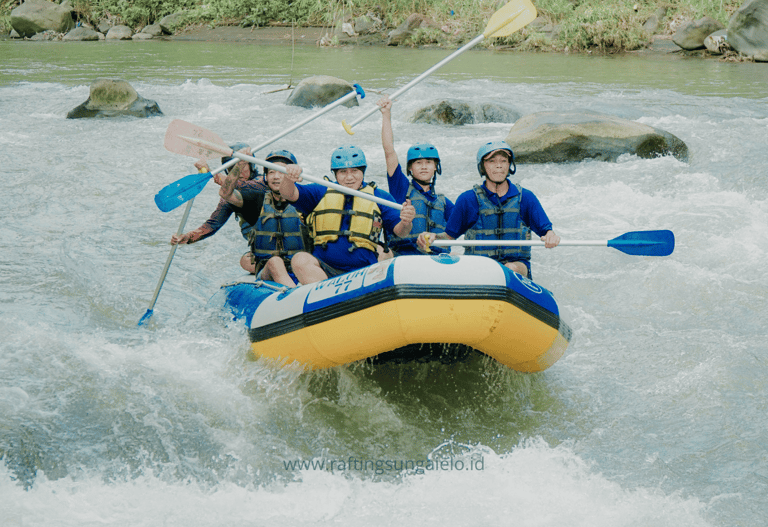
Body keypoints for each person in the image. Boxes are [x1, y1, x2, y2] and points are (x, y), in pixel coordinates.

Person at [417, 141, 560, 279]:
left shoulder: (526, 198)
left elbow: (547, 231)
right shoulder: (468, 199)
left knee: (510, 268)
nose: (499, 166)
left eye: (503, 161)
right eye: (492, 161)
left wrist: (550, 236)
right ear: (483, 167)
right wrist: (433, 237)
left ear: (509, 165)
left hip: (517, 266)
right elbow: (448, 237)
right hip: (479, 266)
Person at [279, 145, 416, 284]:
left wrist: (406, 222)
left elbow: (401, 232)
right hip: (325, 270)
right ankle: (324, 299)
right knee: (299, 260)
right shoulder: (320, 191)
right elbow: (288, 193)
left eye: (355, 171)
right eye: (343, 172)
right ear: (335, 174)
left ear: (363, 171)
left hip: (364, 271)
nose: (349, 177)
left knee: (385, 255)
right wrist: (289, 179)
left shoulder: (379, 197)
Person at [170, 143, 270, 274]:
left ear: (251, 165)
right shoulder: (229, 197)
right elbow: (212, 225)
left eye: (241, 165)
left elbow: (244, 186)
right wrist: (188, 237)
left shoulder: (265, 182)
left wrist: (211, 175)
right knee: (246, 261)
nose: (237, 171)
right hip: (261, 248)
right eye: (231, 167)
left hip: (280, 241)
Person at [218, 149, 310, 287]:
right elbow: (225, 193)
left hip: (300, 266)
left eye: (281, 171)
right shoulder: (257, 199)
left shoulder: (305, 200)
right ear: (265, 177)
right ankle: (293, 296)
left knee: (303, 260)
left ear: (291, 175)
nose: (276, 177)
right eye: (271, 172)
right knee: (275, 262)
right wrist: (239, 164)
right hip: (269, 271)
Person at [378, 96, 454, 255]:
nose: (424, 166)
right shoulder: (401, 188)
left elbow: (455, 232)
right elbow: (389, 152)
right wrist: (386, 114)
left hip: (437, 258)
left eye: (428, 162)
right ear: (410, 168)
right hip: (404, 255)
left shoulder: (445, 203)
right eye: (418, 163)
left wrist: (437, 237)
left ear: (435, 167)